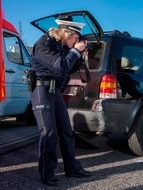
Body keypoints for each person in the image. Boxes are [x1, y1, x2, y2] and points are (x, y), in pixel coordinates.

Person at [30, 16, 92, 186]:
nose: (77, 41)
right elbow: (60, 66)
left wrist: (79, 56)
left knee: (66, 131)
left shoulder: (61, 45)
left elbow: (68, 69)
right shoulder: (43, 44)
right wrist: (75, 52)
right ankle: (47, 173)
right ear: (67, 34)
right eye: (76, 38)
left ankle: (72, 169)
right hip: (42, 89)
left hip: (55, 90)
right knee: (48, 132)